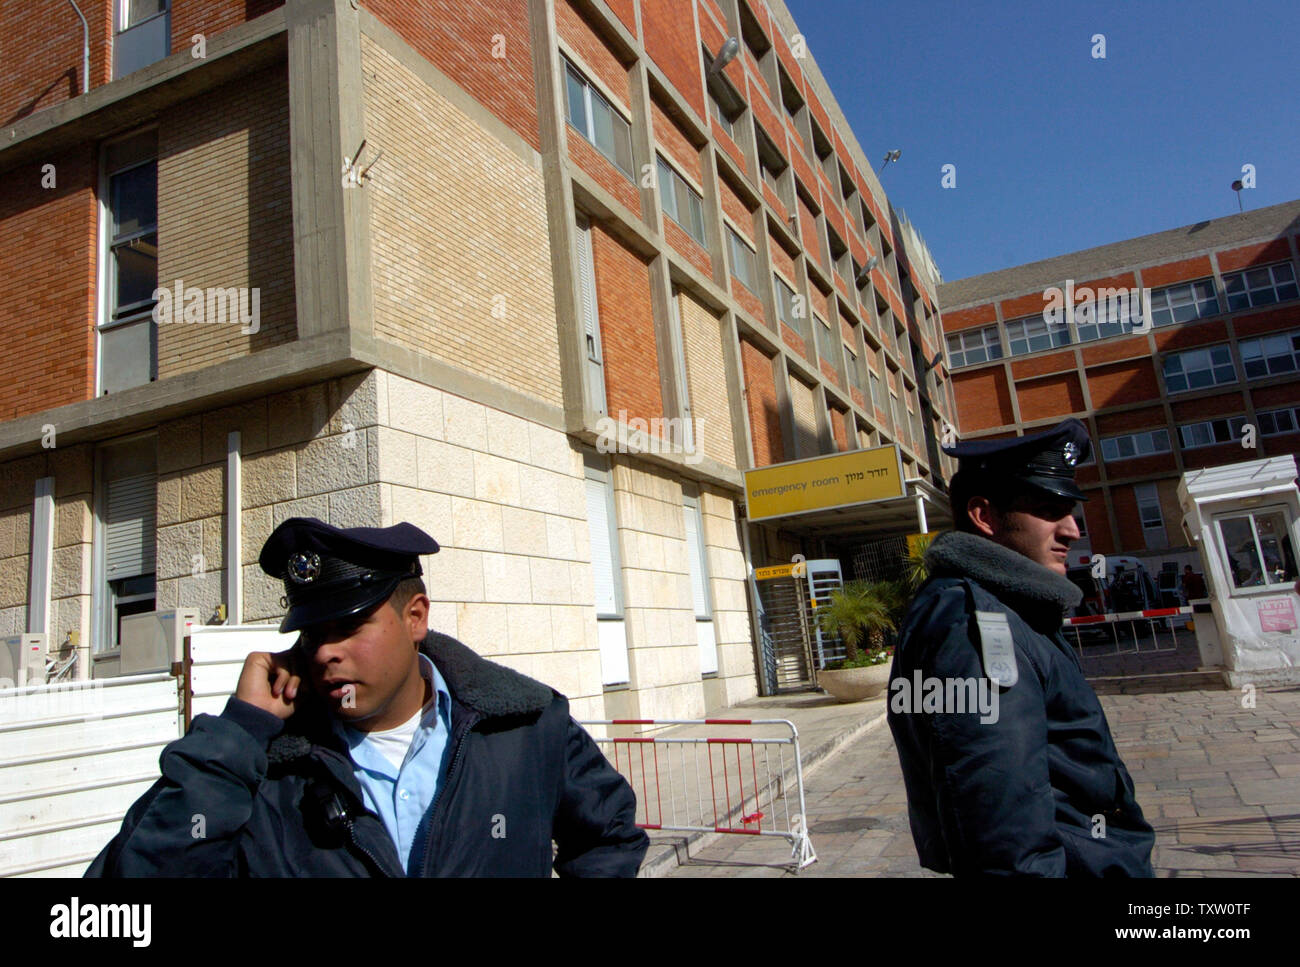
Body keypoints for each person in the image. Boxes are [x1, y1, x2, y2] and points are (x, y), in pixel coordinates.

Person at [87, 517, 648, 877]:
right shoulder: (265, 767)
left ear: (416, 617)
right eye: (312, 634)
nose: (325, 652)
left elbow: (610, 838)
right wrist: (237, 736)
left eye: (348, 626)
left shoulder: (525, 726)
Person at [888, 418, 1155, 876]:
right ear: (985, 516)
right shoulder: (974, 623)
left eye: (1071, 511)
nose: (1072, 530)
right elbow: (1004, 839)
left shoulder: (1011, 609)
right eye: (1050, 509)